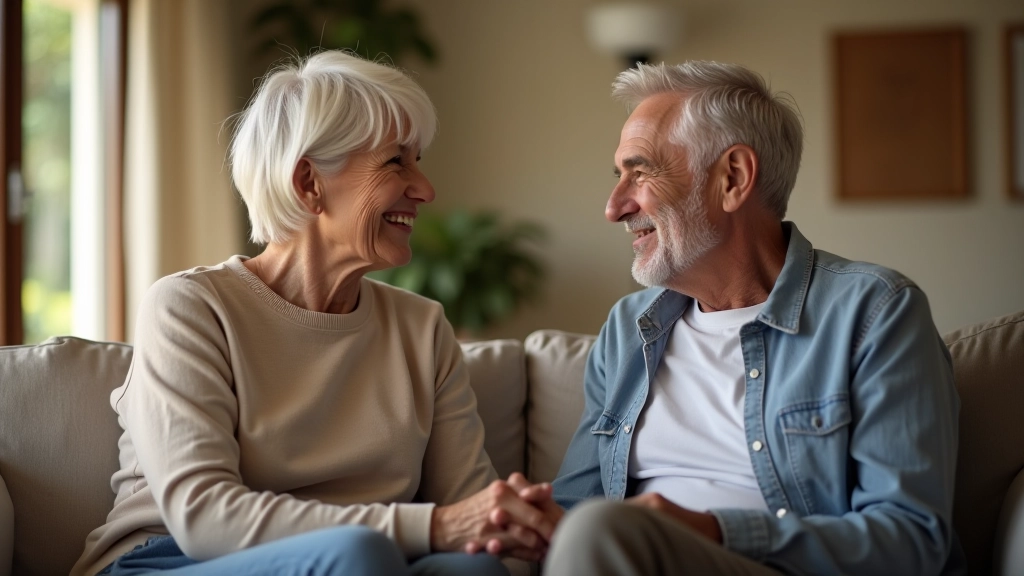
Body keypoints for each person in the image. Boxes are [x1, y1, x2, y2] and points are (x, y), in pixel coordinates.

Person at [70, 51, 552, 576]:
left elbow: (473, 519)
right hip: (172, 560)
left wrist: (525, 522)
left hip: (370, 561)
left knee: (473, 571)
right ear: (308, 182)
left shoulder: (423, 328)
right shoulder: (191, 308)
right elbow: (203, 516)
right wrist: (432, 527)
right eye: (397, 161)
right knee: (357, 555)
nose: (426, 189)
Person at [497, 61, 964, 575]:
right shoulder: (629, 328)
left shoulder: (875, 313)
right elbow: (577, 513)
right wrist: (534, 519)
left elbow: (911, 542)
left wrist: (712, 529)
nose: (614, 207)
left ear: (733, 178)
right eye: (619, 175)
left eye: (641, 170)